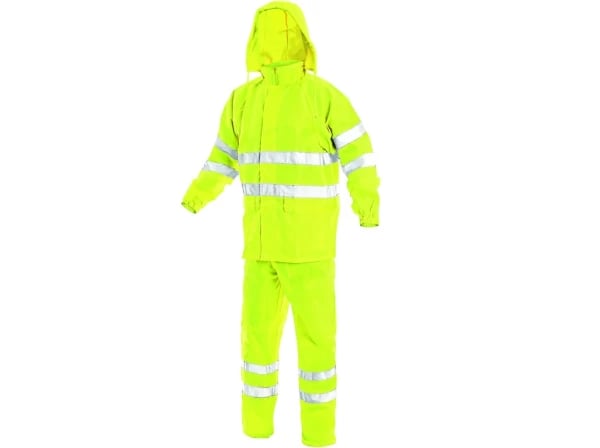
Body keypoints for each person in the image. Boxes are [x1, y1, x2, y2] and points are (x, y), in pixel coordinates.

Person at [181, 2, 380, 446]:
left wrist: (367, 206)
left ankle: (318, 434)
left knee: (316, 344)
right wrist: (195, 197)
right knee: (257, 345)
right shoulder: (242, 100)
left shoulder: (323, 97)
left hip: (309, 249)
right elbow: (221, 160)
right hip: (259, 249)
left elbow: (359, 155)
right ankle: (257, 430)